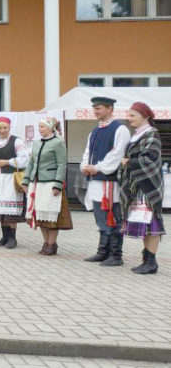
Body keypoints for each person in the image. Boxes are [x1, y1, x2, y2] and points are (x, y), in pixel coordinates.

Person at [80, 96, 131, 267]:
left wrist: (98, 167)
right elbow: (88, 152)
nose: (95, 111)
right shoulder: (95, 130)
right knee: (100, 217)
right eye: (94, 108)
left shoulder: (120, 129)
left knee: (112, 217)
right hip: (96, 180)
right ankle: (103, 252)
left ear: (110, 108)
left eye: (98, 108)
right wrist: (85, 166)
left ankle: (116, 255)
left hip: (110, 181)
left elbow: (117, 153)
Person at [119, 102, 164, 274]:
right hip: (136, 186)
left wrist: (129, 162)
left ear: (145, 117)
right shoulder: (138, 135)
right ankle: (147, 260)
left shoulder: (152, 133)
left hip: (147, 186)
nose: (128, 118)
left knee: (151, 223)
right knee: (144, 223)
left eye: (132, 115)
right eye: (128, 115)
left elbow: (150, 159)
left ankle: (151, 261)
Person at [22, 117, 71, 256]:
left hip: (50, 182)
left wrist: (58, 184)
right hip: (37, 183)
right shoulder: (36, 143)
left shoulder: (58, 143)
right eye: (39, 126)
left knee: (51, 214)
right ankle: (46, 242)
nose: (39, 129)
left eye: (42, 126)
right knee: (40, 214)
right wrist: (26, 180)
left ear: (50, 128)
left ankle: (52, 243)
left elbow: (62, 164)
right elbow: (31, 163)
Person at [0, 116, 29, 249]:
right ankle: (4, 237)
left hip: (10, 179)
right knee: (0, 210)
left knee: (10, 210)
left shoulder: (16, 141)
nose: (2, 130)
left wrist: (8, 162)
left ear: (9, 128)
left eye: (5, 128)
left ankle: (12, 238)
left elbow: (25, 159)